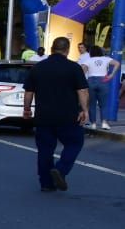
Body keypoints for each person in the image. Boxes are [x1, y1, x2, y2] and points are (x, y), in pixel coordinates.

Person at [22, 36, 89, 190]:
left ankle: (46, 184)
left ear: (52, 48)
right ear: (67, 49)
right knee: (74, 143)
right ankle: (60, 169)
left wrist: (26, 109)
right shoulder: (74, 67)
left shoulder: (38, 68)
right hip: (68, 116)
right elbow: (83, 90)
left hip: (43, 117)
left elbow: (29, 92)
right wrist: (84, 110)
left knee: (45, 150)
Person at [80, 43, 119, 130]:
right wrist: (111, 75)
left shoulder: (88, 60)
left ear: (91, 53)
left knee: (92, 104)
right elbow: (117, 63)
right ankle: (104, 123)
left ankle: (93, 123)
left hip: (91, 81)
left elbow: (82, 71)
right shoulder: (106, 59)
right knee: (103, 104)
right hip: (103, 81)